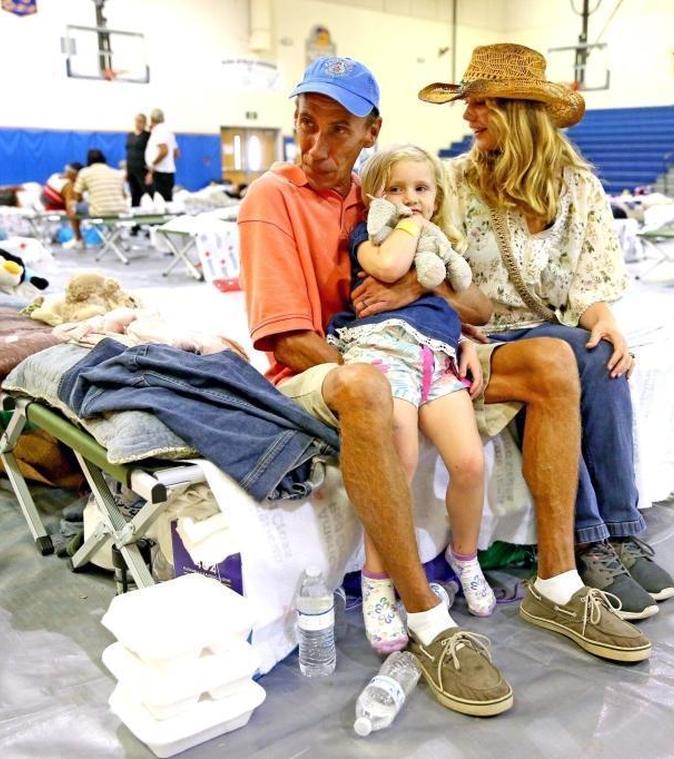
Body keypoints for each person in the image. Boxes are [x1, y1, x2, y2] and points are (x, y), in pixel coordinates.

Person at [240, 55, 649, 719]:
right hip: (330, 365)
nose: (315, 146)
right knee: (370, 383)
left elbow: (453, 293)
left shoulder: (386, 196)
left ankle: (560, 577)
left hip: (414, 355)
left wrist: (439, 328)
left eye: (337, 130)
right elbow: (288, 338)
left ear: (371, 132)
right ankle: (427, 619)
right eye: (304, 125)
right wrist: (392, 355)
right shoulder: (274, 196)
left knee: (553, 359)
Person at [419, 43, 674, 618]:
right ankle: (591, 539)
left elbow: (586, 285)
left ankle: (618, 530)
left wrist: (605, 318)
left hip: (550, 331)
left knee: (596, 348)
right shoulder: (453, 181)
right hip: (485, 338)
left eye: (481, 103)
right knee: (565, 349)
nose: (468, 116)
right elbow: (436, 272)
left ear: (518, 110)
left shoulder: (579, 187)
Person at [329, 144, 495, 654]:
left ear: (437, 193)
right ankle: (379, 582)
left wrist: (464, 336)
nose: (410, 198)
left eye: (421, 189)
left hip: (436, 356)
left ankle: (465, 558)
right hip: (384, 352)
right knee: (395, 463)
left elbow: (473, 302)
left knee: (468, 463)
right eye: (396, 188)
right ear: (375, 196)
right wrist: (405, 223)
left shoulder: (441, 244)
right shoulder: (371, 236)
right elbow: (392, 265)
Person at [73, 148, 128, 218]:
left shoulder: (84, 172)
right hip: (121, 210)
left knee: (71, 205)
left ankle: (76, 229)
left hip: (99, 212)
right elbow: (124, 196)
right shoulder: (117, 173)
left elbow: (77, 195)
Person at [145, 108, 179, 201]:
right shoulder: (169, 132)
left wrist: (153, 164)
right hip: (168, 171)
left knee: (160, 201)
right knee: (168, 200)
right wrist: (168, 162)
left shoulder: (159, 131)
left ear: (152, 119)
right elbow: (176, 153)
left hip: (160, 172)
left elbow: (164, 151)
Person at [125, 112, 150, 207]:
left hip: (142, 169)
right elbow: (128, 152)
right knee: (134, 194)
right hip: (131, 168)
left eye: (141, 121)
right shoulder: (130, 135)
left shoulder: (147, 135)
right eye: (137, 121)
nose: (138, 123)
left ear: (144, 123)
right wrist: (126, 170)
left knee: (145, 192)